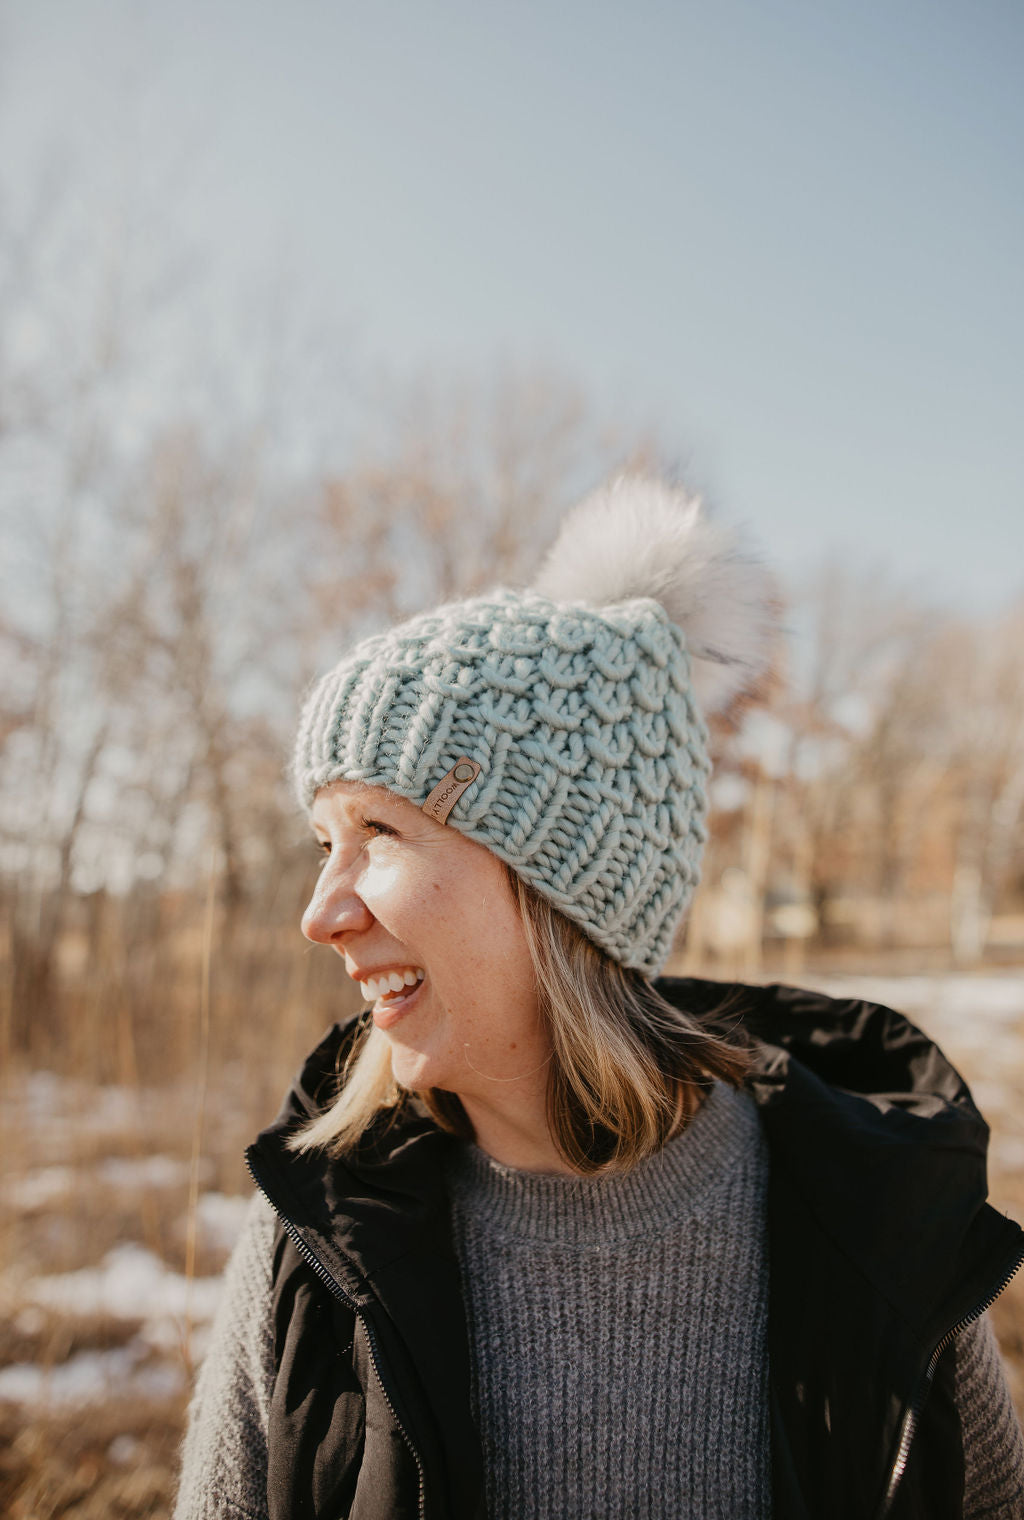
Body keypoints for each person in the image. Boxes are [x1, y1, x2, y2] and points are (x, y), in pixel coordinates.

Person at [174, 476, 1024, 1520]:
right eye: (322, 844)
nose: (320, 913)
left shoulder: (870, 1223)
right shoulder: (317, 1238)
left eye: (379, 833)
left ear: (563, 887)